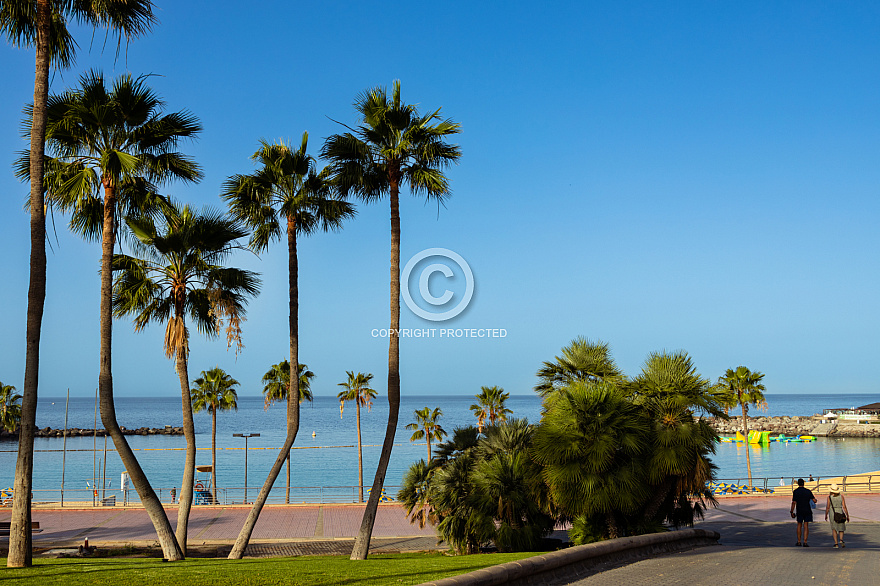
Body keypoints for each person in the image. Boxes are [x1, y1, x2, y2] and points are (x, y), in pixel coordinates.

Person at [790, 478, 817, 546]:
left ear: (798, 484)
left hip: (799, 510)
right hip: (807, 510)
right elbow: (814, 500)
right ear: (804, 484)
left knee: (799, 525)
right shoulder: (808, 491)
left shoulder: (795, 492)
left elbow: (794, 502)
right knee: (806, 525)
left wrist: (791, 511)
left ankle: (799, 541)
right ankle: (805, 541)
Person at [825, 483, 849, 548]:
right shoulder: (841, 497)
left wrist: (826, 515)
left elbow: (827, 507)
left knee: (834, 528)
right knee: (841, 527)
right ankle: (841, 540)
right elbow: (844, 506)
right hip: (840, 511)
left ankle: (836, 544)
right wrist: (847, 515)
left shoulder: (829, 497)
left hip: (832, 513)